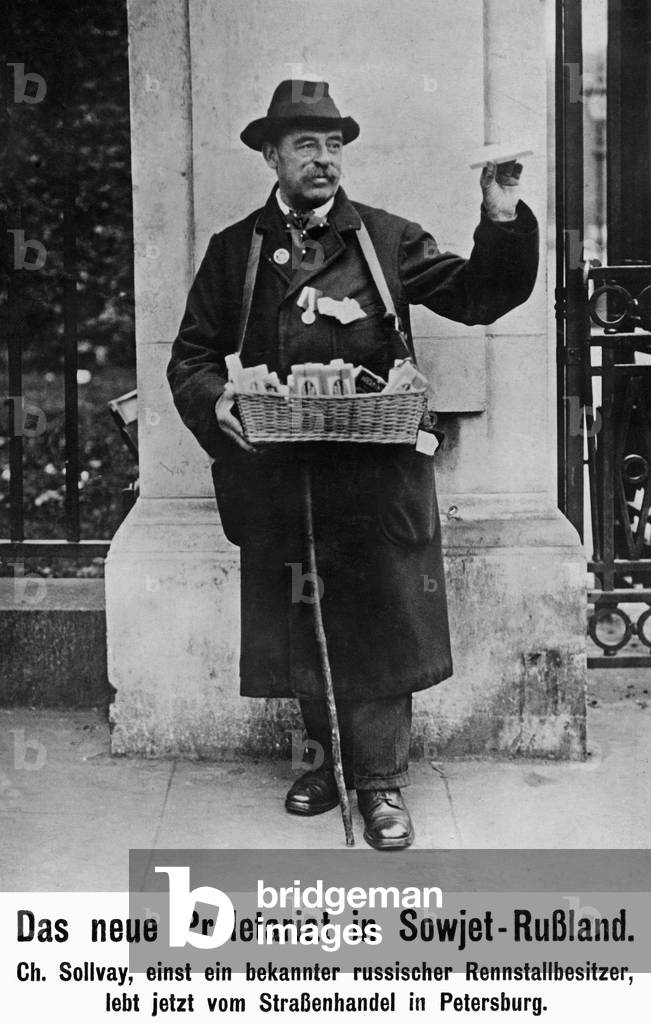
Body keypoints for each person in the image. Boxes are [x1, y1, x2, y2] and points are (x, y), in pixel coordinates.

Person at [167, 78, 539, 850]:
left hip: (372, 471)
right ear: (270, 154)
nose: (324, 159)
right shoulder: (235, 250)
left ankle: (378, 782)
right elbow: (193, 355)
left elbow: (477, 295)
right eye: (306, 143)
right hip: (283, 471)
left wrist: (499, 214)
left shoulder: (385, 237)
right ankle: (322, 763)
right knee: (297, 622)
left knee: (378, 619)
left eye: (334, 145)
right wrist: (218, 403)